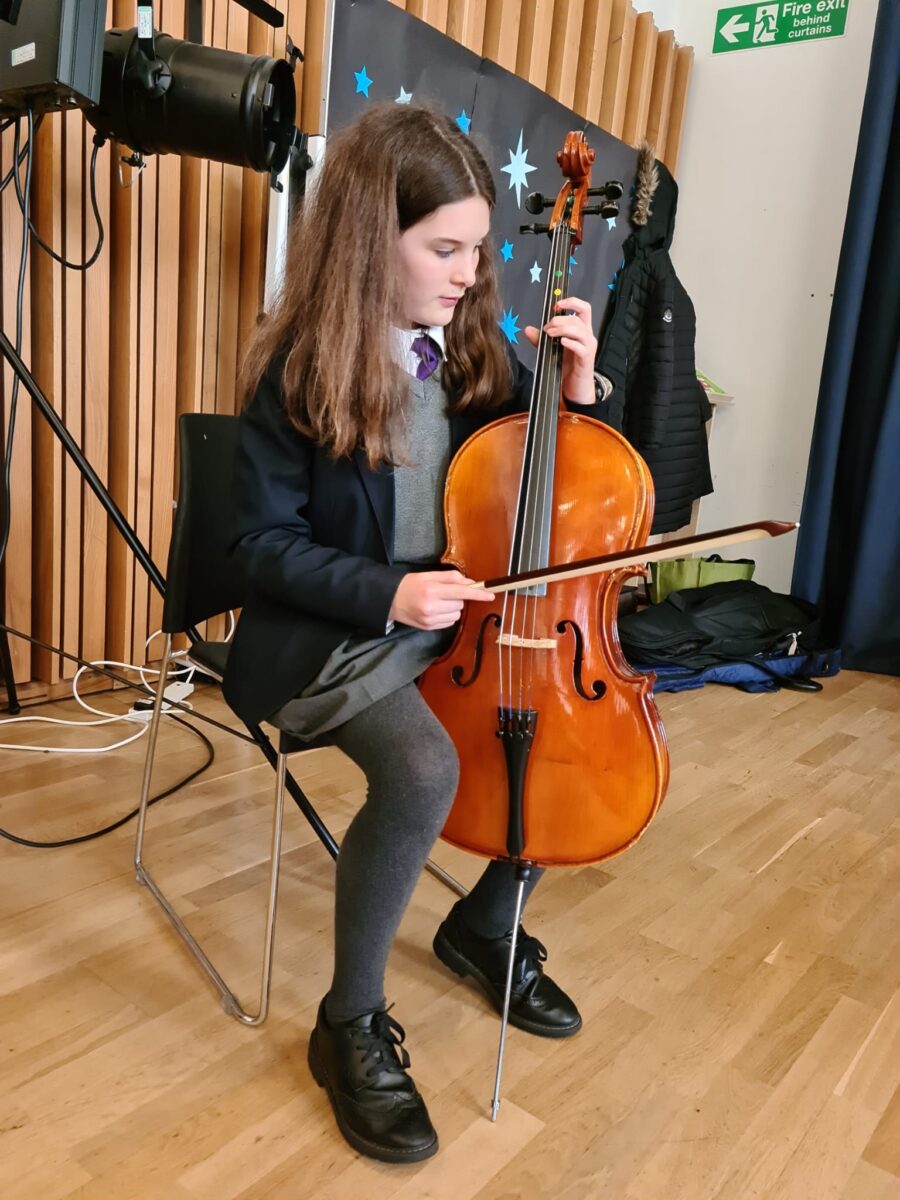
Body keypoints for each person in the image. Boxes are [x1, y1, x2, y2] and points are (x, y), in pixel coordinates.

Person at [224, 102, 606, 1164]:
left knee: (558, 735)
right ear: (366, 237)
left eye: (478, 250)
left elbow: (548, 478)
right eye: (443, 248)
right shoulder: (296, 366)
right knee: (427, 771)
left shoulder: (476, 346)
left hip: (455, 631)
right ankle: (348, 1021)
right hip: (335, 636)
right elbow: (253, 547)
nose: (468, 273)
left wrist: (572, 395)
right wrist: (389, 596)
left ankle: (482, 921)